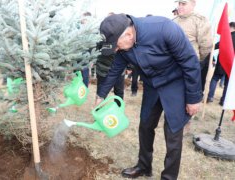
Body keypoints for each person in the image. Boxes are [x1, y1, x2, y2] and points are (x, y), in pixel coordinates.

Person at [96, 14, 202, 179]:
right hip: (152, 85)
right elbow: (115, 70)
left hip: (176, 85)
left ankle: (169, 177)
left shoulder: (164, 28)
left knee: (173, 133)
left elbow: (190, 62)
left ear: (129, 35)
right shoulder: (124, 46)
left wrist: (194, 98)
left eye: (117, 46)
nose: (116, 50)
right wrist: (100, 95)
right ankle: (144, 167)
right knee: (145, 126)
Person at [173, 0, 213, 91]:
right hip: (172, 65)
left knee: (188, 93)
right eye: (179, 4)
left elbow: (206, 45)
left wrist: (196, 59)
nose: (180, 6)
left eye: (184, 4)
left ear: (193, 4)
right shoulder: (173, 21)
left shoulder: (200, 20)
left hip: (189, 65)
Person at [217, 22, 235, 106]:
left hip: (223, 62)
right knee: (227, 84)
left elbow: (219, 45)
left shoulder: (228, 36)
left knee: (215, 78)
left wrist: (212, 46)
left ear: (231, 27)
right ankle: (223, 101)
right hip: (232, 64)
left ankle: (209, 97)